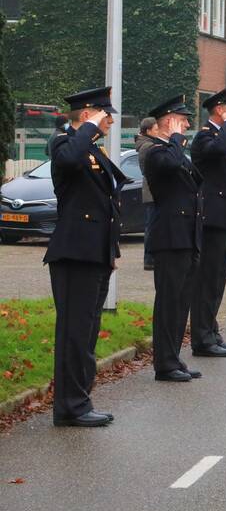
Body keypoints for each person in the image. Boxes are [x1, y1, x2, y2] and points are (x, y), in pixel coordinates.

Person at [45, 86, 126, 426]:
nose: (110, 121)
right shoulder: (64, 144)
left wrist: (110, 251)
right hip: (75, 253)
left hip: (94, 253)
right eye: (105, 115)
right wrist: (89, 126)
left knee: (87, 331)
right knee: (75, 333)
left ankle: (79, 400)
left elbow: (107, 202)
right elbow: (68, 161)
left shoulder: (90, 148)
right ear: (88, 113)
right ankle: (71, 406)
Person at [144, 94, 204, 383]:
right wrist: (176, 139)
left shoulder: (174, 151)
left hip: (186, 236)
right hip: (170, 237)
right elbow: (169, 166)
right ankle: (164, 363)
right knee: (169, 302)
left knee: (181, 302)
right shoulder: (156, 152)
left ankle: (174, 356)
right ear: (168, 122)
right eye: (182, 121)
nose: (187, 125)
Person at [190, 87, 226, 359]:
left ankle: (211, 330)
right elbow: (215, 151)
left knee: (218, 279)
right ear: (220, 109)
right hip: (212, 218)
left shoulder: (224, 137)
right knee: (207, 280)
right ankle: (202, 337)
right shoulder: (205, 137)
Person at [134, 116, 158, 271]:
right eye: (156, 129)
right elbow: (149, 169)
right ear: (148, 130)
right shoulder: (148, 146)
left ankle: (151, 258)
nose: (158, 131)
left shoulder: (147, 144)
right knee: (152, 226)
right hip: (152, 191)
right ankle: (149, 259)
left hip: (152, 190)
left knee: (152, 225)